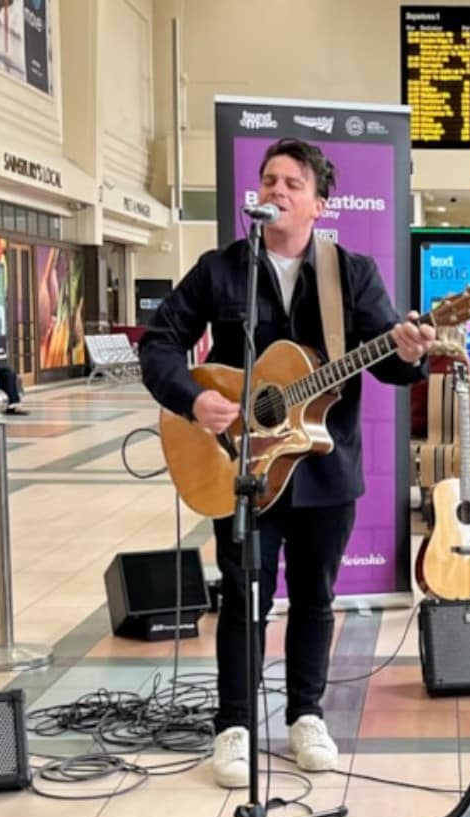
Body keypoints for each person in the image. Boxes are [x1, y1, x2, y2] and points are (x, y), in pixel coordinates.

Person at [139, 137, 435, 784]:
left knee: (314, 598)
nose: (276, 190)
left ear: (319, 205)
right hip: (240, 466)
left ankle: (306, 715)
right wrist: (194, 399)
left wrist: (411, 353)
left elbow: (387, 364)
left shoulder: (350, 273)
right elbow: (159, 343)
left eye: (292, 183)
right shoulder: (222, 269)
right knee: (242, 597)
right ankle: (235, 725)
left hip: (324, 469)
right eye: (269, 180)